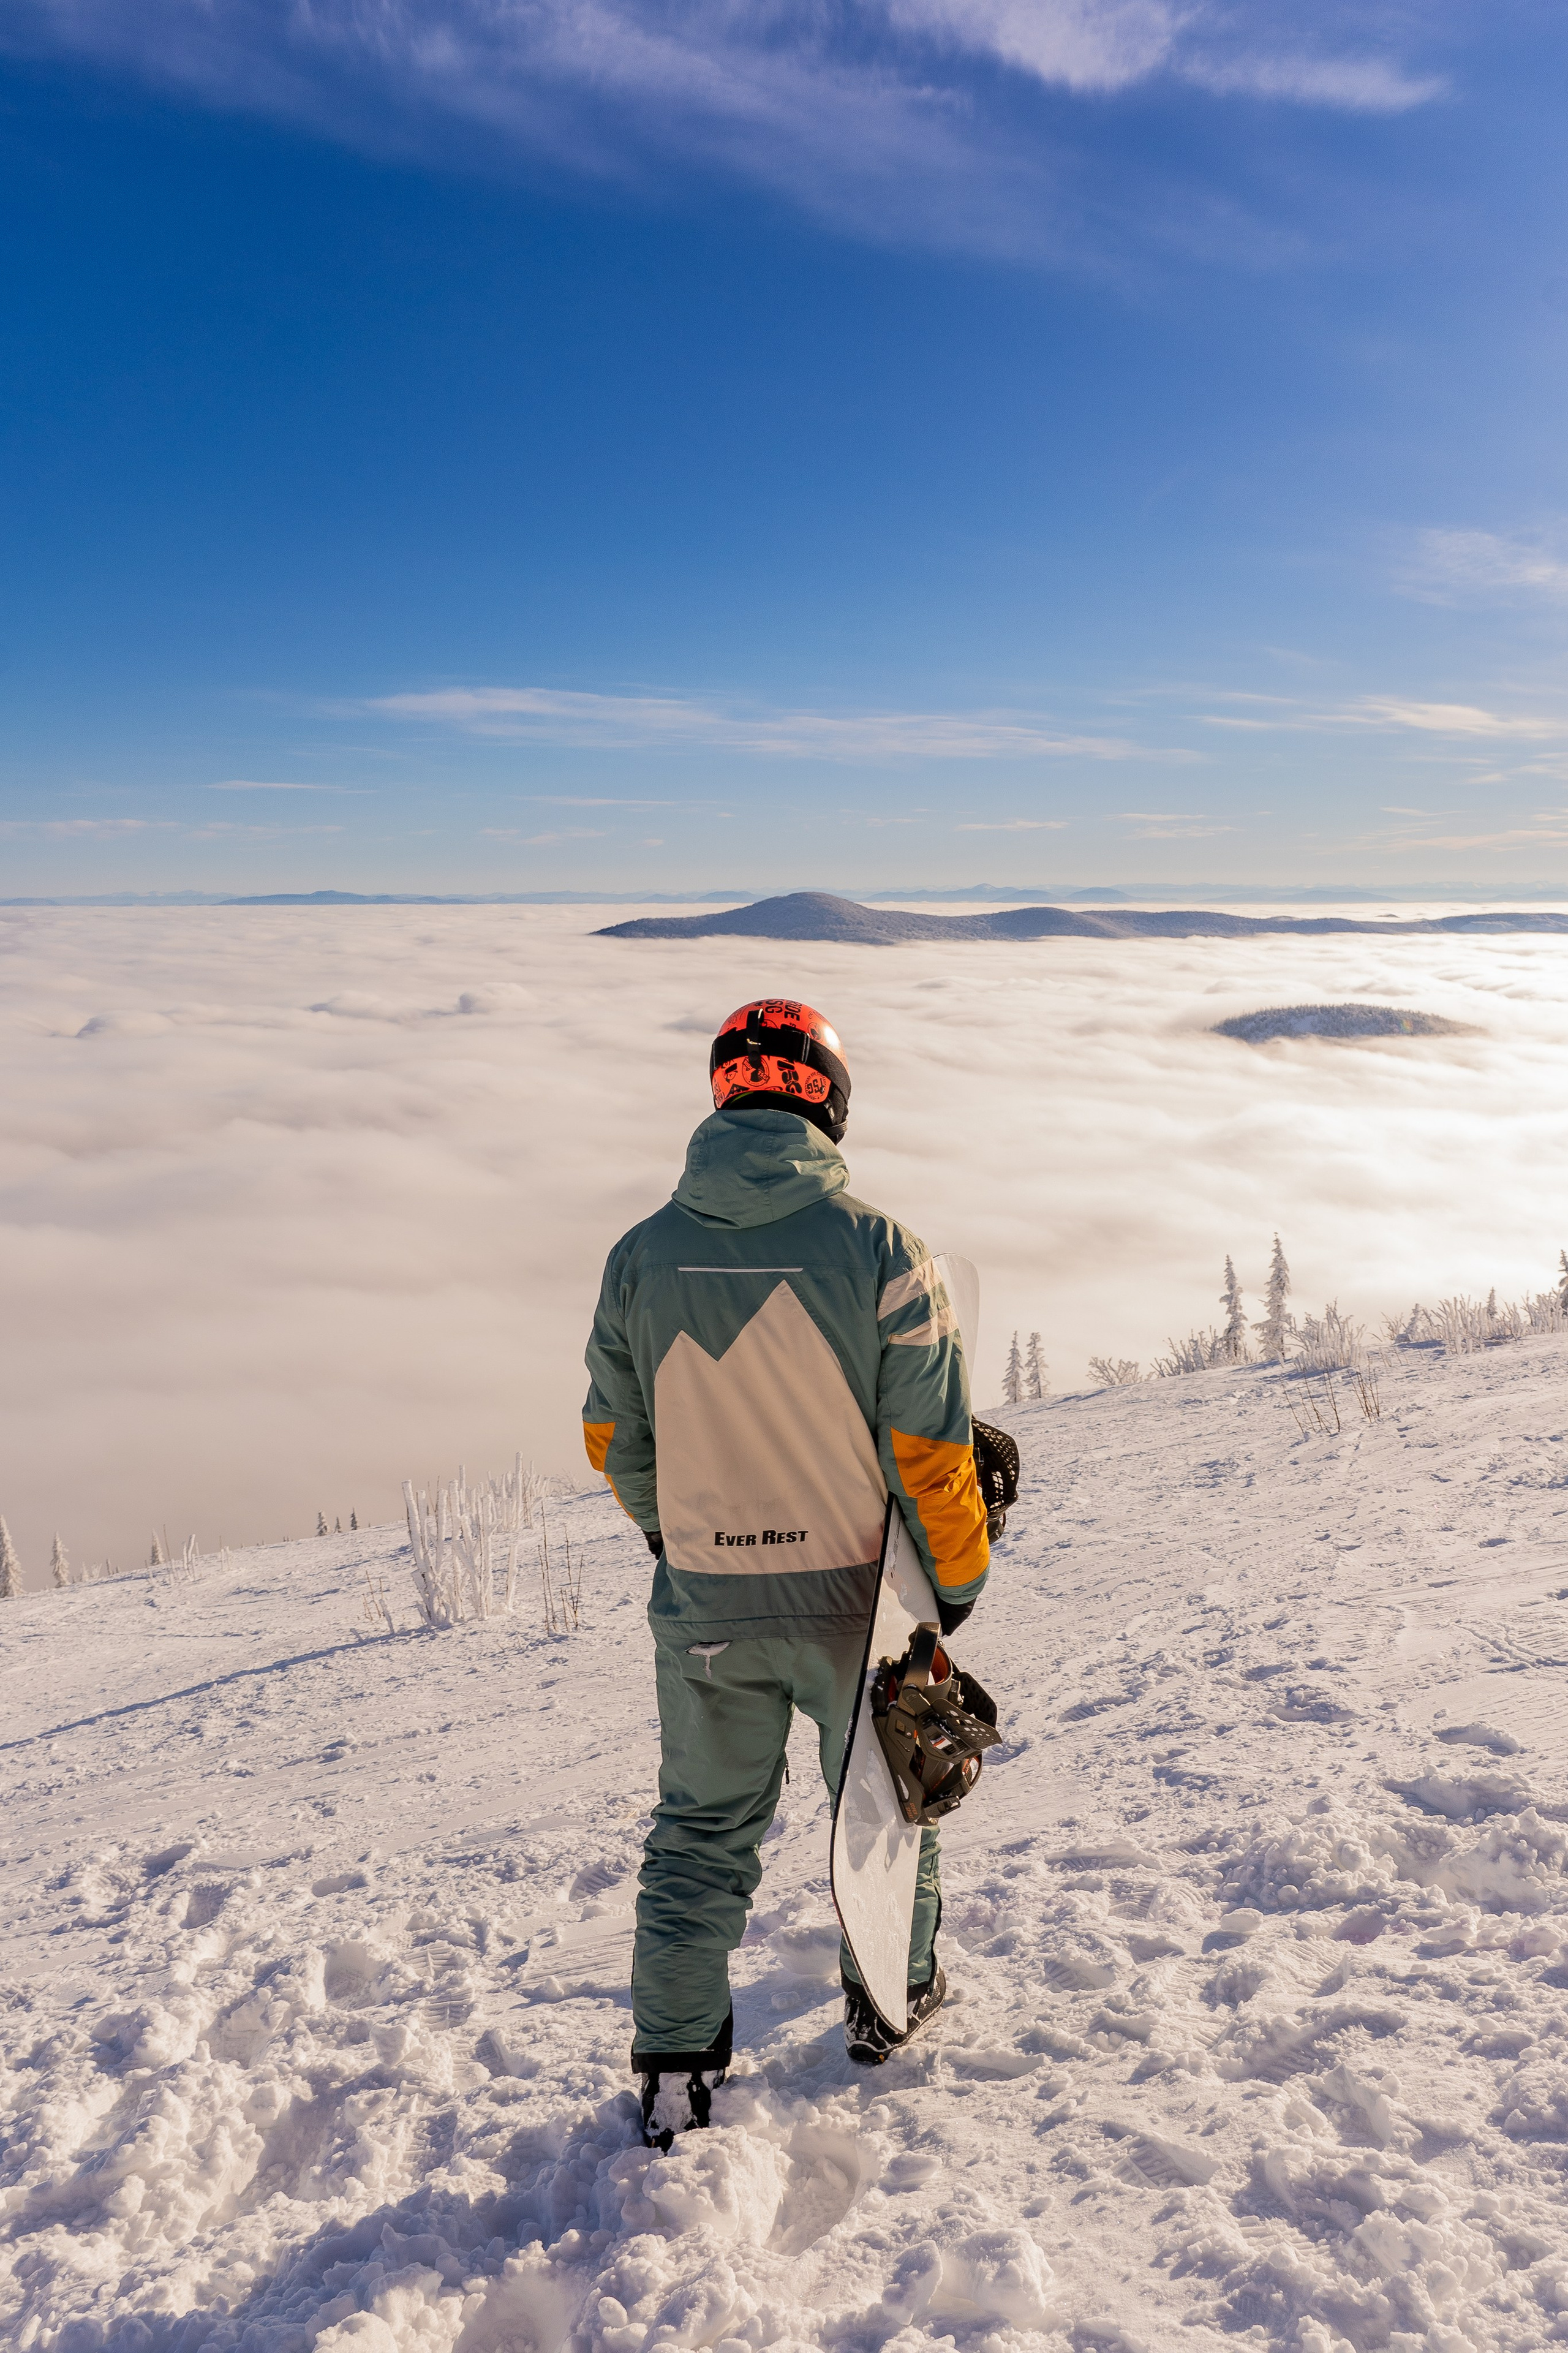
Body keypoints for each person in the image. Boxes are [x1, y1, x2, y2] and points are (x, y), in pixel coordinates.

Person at [581, 997, 989, 2148]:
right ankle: (889, 1997)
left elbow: (614, 1437)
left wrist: (683, 1541)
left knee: (700, 1833)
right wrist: (953, 1583)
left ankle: (675, 2071)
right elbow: (930, 1453)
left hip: (709, 1604)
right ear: (830, 1101)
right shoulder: (885, 1252)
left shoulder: (639, 1258)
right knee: (889, 1801)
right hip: (859, 1602)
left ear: (724, 1093)